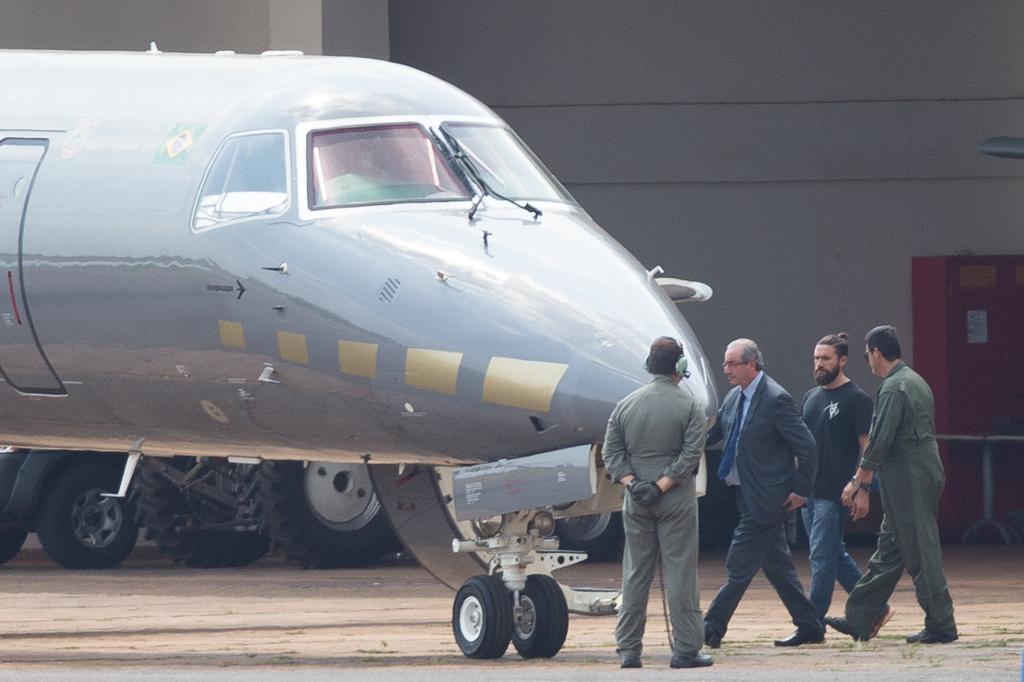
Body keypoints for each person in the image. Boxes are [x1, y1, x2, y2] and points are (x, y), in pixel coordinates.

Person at [825, 325, 958, 644]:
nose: (867, 361)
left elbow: (880, 439)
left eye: (866, 354)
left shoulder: (894, 387)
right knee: (889, 549)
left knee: (920, 550)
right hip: (915, 472)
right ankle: (860, 617)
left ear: (875, 352)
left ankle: (941, 623)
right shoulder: (913, 380)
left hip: (909, 475)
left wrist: (858, 481)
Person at [703, 338, 823, 648]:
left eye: (732, 363)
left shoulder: (775, 399)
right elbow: (715, 434)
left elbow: (807, 447)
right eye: (725, 363)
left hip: (769, 498)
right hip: (743, 495)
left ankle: (711, 628)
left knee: (738, 564)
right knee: (778, 568)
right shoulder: (733, 398)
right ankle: (810, 626)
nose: (725, 369)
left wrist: (801, 491)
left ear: (752, 364)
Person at [602, 337, 713, 669]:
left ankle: (628, 649)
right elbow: (691, 453)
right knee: (680, 570)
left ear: (649, 365)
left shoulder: (625, 405)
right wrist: (662, 485)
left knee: (635, 571)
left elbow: (611, 453)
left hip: (636, 498)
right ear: (680, 367)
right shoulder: (690, 406)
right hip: (674, 496)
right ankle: (686, 649)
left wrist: (634, 484)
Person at [800, 333, 873, 620]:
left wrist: (862, 487)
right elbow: (802, 447)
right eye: (816, 358)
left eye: (825, 358)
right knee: (833, 555)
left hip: (836, 492)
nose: (819, 364)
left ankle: (813, 621)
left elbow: (868, 448)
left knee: (820, 558)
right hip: (809, 492)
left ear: (842, 360)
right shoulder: (810, 397)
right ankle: (876, 607)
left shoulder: (857, 399)